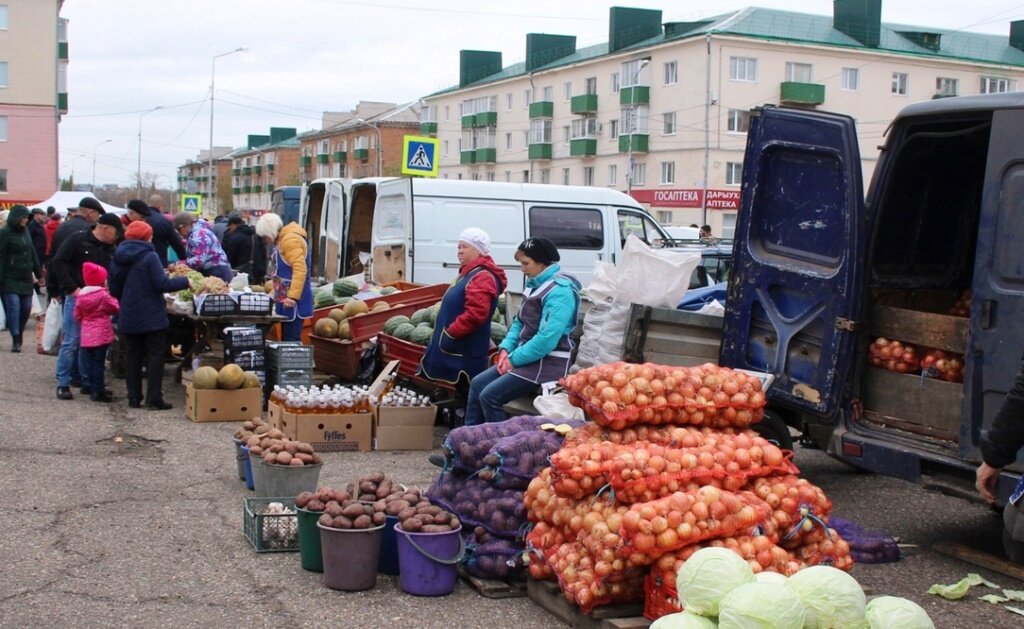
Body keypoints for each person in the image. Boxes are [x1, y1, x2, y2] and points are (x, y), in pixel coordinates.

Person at [463, 237, 581, 425]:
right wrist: (505, 349)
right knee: (477, 384)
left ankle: (499, 449)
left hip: (546, 363)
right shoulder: (534, 283)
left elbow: (546, 339)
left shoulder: (560, 291)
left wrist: (512, 359)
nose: (522, 268)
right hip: (526, 357)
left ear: (542, 264)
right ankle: (465, 446)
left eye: (526, 263)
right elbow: (519, 322)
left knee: (490, 397)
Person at [108, 220, 190, 410]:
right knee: (155, 356)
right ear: (147, 236)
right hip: (151, 314)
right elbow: (163, 285)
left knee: (133, 356)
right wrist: (185, 281)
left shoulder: (118, 256)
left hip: (128, 312)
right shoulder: (149, 256)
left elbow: (113, 289)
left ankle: (133, 398)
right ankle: (154, 399)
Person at [420, 227, 507, 393]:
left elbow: (476, 314)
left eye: (464, 247)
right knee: (461, 391)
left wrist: (452, 332)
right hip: (456, 345)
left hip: (464, 348)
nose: (459, 251)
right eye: (458, 247)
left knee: (467, 391)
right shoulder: (470, 272)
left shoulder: (482, 276)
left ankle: (468, 418)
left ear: (479, 251)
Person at [50, 213, 122, 400]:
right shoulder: (78, 239)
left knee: (91, 343)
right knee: (71, 341)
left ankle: (87, 381)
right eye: (115, 233)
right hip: (78, 297)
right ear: (105, 228)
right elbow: (58, 262)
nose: (116, 237)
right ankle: (63, 383)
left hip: (100, 301)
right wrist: (71, 287)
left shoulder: (110, 247)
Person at [255, 213, 312, 342]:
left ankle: (294, 362)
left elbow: (300, 269)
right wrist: (275, 293)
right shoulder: (284, 240)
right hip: (286, 299)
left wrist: (292, 297)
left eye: (265, 237)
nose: (266, 241)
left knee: (291, 340)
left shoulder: (289, 241)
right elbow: (283, 272)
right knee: (287, 339)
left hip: (294, 302)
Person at [73, 262, 119, 402]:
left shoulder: (81, 296)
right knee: (99, 364)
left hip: (87, 334)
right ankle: (98, 391)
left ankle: (90, 385)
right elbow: (115, 308)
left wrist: (85, 321)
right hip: (101, 333)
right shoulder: (103, 295)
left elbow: (77, 314)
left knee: (89, 362)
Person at [0, 205, 43, 352]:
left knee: (25, 309)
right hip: (9, 277)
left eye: (27, 217)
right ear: (16, 217)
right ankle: (15, 336)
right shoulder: (4, 233)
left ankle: (19, 330)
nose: (26, 220)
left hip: (25, 277)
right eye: (24, 217)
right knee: (14, 306)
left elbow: (32, 253)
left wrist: (39, 274)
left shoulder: (26, 232)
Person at [172, 212, 233, 283]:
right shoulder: (199, 230)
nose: (180, 233)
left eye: (179, 229)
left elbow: (199, 260)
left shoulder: (198, 234)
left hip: (217, 272)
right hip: (217, 270)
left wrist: (178, 264)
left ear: (184, 226)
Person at [126, 199, 186, 269]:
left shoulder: (128, 224)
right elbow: (177, 243)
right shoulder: (163, 221)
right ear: (160, 206)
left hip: (134, 265)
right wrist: (184, 260)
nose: (144, 221)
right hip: (159, 263)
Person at [223, 213, 266, 283]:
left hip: (241, 273)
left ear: (233, 225)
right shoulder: (254, 235)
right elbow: (263, 254)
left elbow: (230, 257)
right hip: (256, 271)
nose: (229, 229)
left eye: (229, 226)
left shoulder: (235, 238)